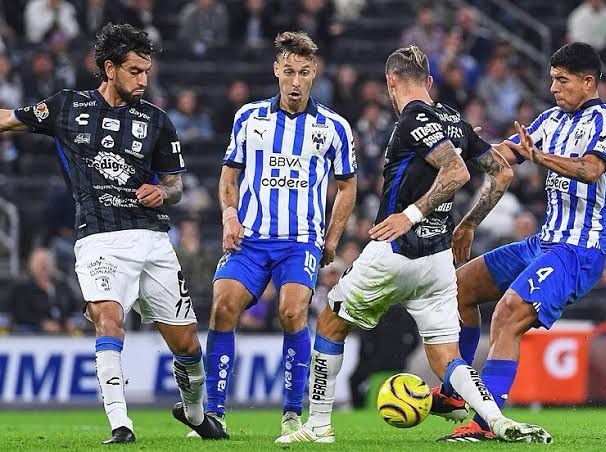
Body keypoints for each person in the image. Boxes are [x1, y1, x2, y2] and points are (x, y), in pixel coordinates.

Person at [275, 45, 550, 445]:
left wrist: (411, 215)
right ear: (430, 81)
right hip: (437, 261)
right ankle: (495, 419)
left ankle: (317, 427)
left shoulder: (412, 119)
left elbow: (455, 171)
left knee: (331, 323)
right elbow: (502, 171)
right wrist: (468, 225)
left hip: (395, 249)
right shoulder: (453, 120)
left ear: (391, 81)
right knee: (446, 356)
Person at [0, 23, 226, 444]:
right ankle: (121, 426)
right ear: (109, 68)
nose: (143, 80)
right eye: (135, 71)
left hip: (152, 239)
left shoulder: (156, 121)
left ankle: (194, 413)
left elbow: (175, 185)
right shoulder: (68, 107)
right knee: (108, 318)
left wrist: (163, 192)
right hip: (98, 238)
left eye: (146, 71)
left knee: (187, 347)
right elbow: (9, 119)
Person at [434, 42, 606, 442]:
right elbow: (506, 155)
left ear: (587, 81)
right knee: (458, 288)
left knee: (507, 314)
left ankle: (488, 423)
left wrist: (539, 158)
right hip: (541, 242)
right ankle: (455, 392)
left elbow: (590, 170)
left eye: (562, 80)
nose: (554, 87)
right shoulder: (550, 119)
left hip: (578, 250)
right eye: (552, 79)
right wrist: (462, 144)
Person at [197, 31, 357, 440]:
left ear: (315, 72)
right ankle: (214, 414)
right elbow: (229, 174)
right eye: (289, 72)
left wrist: (332, 238)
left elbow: (347, 186)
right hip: (250, 239)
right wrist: (229, 215)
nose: (296, 81)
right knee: (222, 307)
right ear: (276, 71)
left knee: (291, 312)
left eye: (303, 72)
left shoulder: (334, 127)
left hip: (300, 241)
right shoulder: (249, 118)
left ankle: (290, 414)